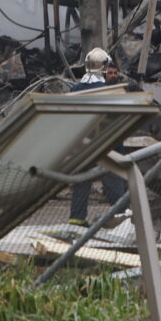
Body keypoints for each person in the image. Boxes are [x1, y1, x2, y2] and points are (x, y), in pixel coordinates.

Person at [68, 47, 127, 226]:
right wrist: (119, 150)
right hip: (104, 146)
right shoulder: (108, 92)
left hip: (81, 146)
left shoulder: (74, 90)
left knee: (80, 184)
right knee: (114, 183)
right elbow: (116, 124)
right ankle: (124, 219)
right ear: (103, 67)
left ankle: (77, 220)